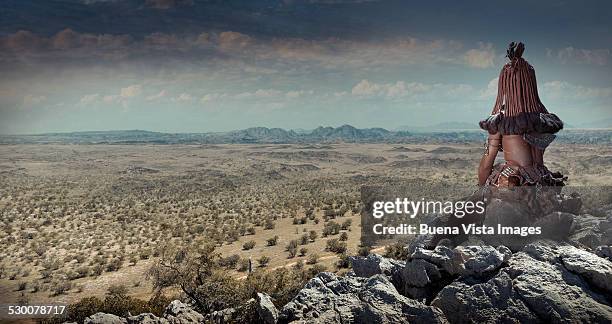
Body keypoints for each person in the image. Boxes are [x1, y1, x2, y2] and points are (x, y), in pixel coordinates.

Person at [478, 42, 566, 188]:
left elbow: (486, 165)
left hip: (514, 181)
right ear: (531, 84)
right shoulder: (542, 118)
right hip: (540, 178)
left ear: (505, 84)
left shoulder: (501, 120)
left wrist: (481, 193)